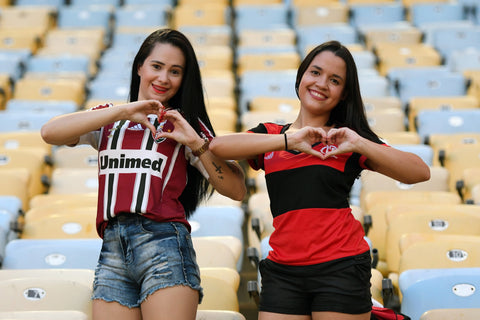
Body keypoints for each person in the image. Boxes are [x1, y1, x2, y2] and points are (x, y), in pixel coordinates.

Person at [209, 40, 431, 320]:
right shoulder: (273, 135)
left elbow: (419, 172)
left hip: (340, 266)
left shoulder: (346, 139)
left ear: (343, 93)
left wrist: (360, 143)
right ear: (301, 76)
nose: (322, 83)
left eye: (334, 80)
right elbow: (218, 146)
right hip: (283, 270)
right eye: (315, 72)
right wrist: (288, 140)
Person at [41, 28, 247, 320]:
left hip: (164, 245)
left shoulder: (183, 125)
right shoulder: (110, 119)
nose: (163, 78)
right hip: (112, 249)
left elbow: (237, 190)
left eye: (175, 72)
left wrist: (196, 144)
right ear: (140, 66)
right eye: (157, 66)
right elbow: (49, 133)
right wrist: (121, 112)